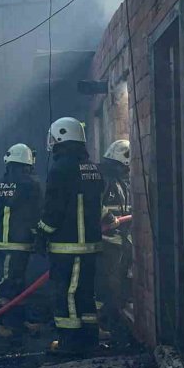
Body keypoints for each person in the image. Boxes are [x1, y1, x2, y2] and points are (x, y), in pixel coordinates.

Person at [36, 117, 105, 354]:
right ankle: (89, 338)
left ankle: (70, 342)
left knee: (67, 294)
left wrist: (42, 233)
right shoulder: (92, 168)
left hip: (68, 245)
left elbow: (53, 209)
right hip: (90, 245)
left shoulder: (61, 168)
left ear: (62, 136)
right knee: (85, 293)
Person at [0, 143, 43, 337]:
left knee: (18, 282)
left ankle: (17, 322)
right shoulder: (31, 184)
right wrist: (40, 236)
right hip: (20, 242)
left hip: (3, 242)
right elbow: (37, 213)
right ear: (28, 164)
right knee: (9, 281)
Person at [98, 139, 133, 327]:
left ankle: (112, 317)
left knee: (119, 280)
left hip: (120, 239)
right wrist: (109, 218)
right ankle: (103, 320)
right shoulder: (104, 178)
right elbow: (93, 202)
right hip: (106, 240)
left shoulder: (121, 180)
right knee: (107, 283)